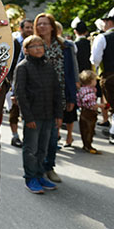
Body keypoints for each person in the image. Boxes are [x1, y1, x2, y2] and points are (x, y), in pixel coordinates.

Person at [15, 35, 62, 194]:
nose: (38, 48)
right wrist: (28, 118)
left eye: (40, 45)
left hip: (49, 115)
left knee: (44, 148)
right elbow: (20, 94)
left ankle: (40, 174)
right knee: (31, 149)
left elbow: (57, 91)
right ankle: (30, 178)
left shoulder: (48, 66)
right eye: (33, 46)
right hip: (33, 116)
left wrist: (58, 114)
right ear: (26, 50)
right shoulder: (23, 67)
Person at [33, 13, 77, 183]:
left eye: (45, 24)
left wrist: (72, 97)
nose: (41, 27)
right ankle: (36, 170)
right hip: (37, 98)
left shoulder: (65, 46)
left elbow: (71, 73)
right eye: (39, 24)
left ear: (52, 26)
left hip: (58, 98)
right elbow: (21, 69)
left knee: (52, 138)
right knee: (37, 138)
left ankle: (49, 167)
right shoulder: (32, 45)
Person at [91, 7, 114, 144]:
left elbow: (95, 60)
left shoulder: (102, 37)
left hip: (110, 77)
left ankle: (113, 133)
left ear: (109, 22)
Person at [9, 19, 34, 148]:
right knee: (14, 111)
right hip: (14, 80)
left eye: (31, 27)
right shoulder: (14, 42)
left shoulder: (35, 42)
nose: (29, 30)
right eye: (27, 27)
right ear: (21, 28)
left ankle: (27, 137)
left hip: (30, 83)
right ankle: (15, 136)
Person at [55, 21, 79, 148]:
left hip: (67, 83)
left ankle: (69, 136)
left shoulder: (68, 45)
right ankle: (57, 135)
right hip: (55, 85)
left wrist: (76, 81)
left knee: (69, 113)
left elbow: (74, 65)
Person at [76, 70, 106, 154]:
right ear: (90, 81)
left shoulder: (82, 89)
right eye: (95, 80)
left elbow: (79, 100)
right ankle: (88, 146)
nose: (96, 81)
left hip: (83, 112)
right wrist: (101, 105)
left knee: (83, 129)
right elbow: (91, 103)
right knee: (90, 130)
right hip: (90, 113)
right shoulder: (90, 91)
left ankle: (85, 144)